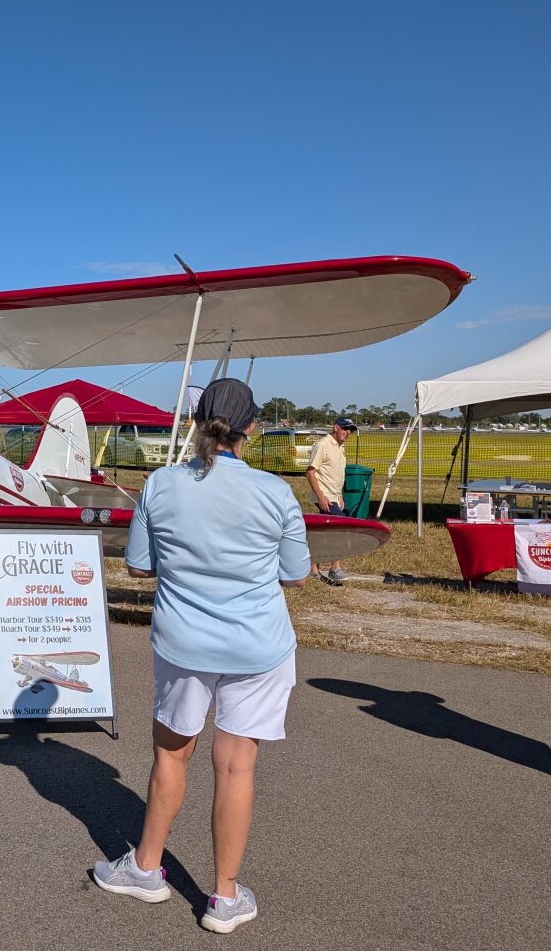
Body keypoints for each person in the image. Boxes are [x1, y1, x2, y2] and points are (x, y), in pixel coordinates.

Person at [93, 378, 310, 936]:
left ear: (194, 422)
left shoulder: (160, 485)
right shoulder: (275, 493)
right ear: (251, 428)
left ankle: (145, 867)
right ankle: (225, 897)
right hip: (256, 644)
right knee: (236, 765)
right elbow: (295, 572)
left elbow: (139, 565)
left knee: (172, 756)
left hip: (183, 642)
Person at [306, 416, 356, 584]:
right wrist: (321, 497)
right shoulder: (323, 445)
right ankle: (334, 568)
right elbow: (311, 472)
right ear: (335, 427)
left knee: (324, 532)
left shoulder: (340, 447)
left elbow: (335, 475)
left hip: (334, 496)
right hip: (324, 496)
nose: (348, 432)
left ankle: (313, 569)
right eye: (345, 428)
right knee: (340, 528)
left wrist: (339, 495)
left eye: (350, 430)